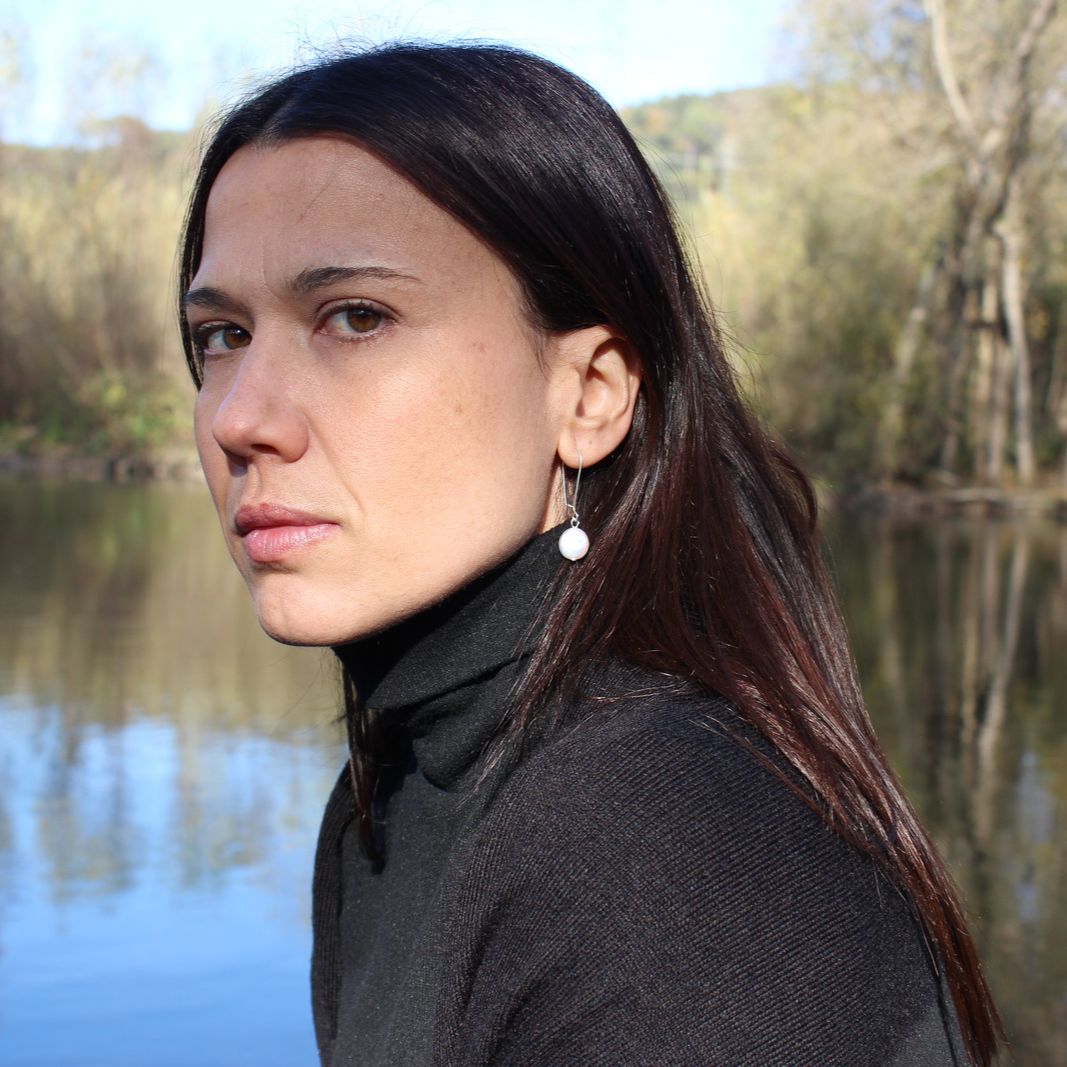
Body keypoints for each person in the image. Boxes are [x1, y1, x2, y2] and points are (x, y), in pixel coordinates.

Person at [178, 42, 1002, 1067]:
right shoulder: (388, 802)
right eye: (220, 334)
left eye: (355, 316)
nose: (243, 416)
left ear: (590, 393)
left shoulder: (679, 850)